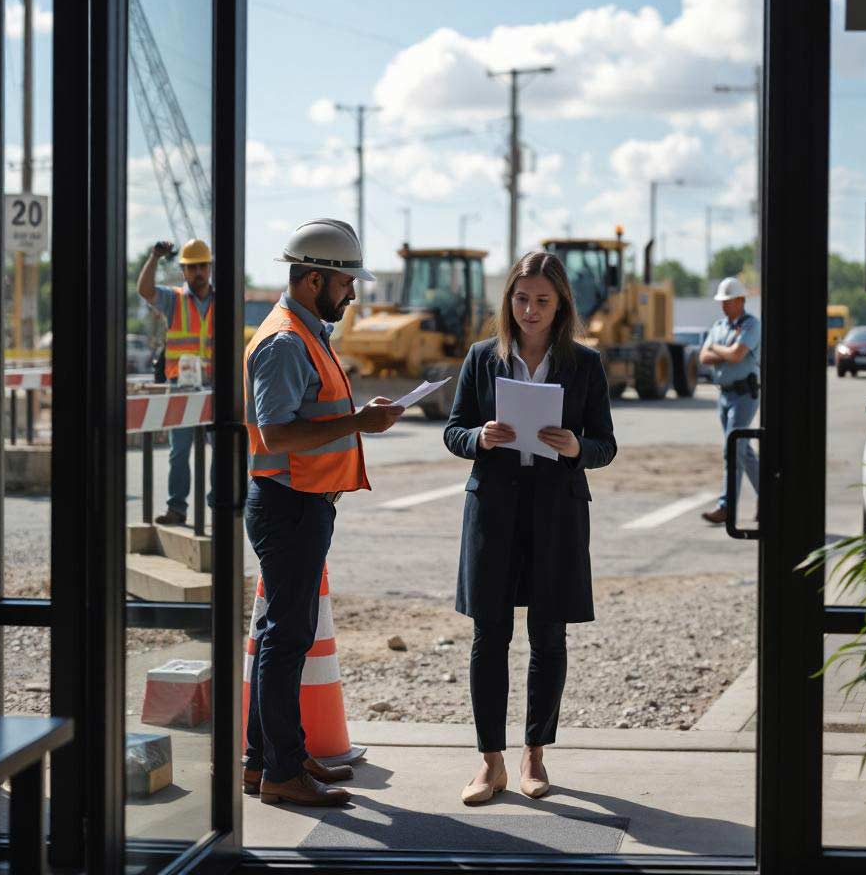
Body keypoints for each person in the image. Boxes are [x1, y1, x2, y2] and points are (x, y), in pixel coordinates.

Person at [444, 251, 617, 806]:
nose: (530, 310)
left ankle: (534, 753)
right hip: (492, 511)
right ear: (508, 301)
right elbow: (453, 430)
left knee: (548, 635)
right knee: (488, 635)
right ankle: (490, 761)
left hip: (556, 514)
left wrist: (575, 447)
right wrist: (479, 438)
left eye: (542, 300)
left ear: (561, 302)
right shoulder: (481, 357)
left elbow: (605, 445)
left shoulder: (585, 365)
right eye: (521, 299)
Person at [243, 218, 404, 807]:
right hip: (289, 506)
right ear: (313, 280)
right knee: (287, 640)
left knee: (280, 638)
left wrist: (358, 417)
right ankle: (281, 772)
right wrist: (359, 423)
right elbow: (277, 433)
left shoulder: (306, 333)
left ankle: (267, 760)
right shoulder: (286, 341)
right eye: (345, 284)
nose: (353, 294)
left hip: (300, 505)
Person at [137, 238, 216, 525]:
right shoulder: (175, 300)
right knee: (179, 452)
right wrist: (154, 257)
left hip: (214, 387)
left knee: (221, 449)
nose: (198, 272)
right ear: (183, 270)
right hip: (182, 387)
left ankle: (218, 506)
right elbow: (145, 290)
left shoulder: (224, 300)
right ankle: (177, 509)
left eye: (202, 266)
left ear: (209, 268)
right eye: (192, 267)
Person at [699, 276, 761, 525]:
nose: (724, 306)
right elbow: (703, 356)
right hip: (724, 393)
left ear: (741, 300)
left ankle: (726, 506)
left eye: (728, 301)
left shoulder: (751, 325)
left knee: (733, 448)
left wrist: (719, 350)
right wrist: (722, 351)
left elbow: (737, 355)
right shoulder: (719, 326)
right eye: (722, 301)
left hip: (744, 394)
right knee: (742, 450)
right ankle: (768, 496)